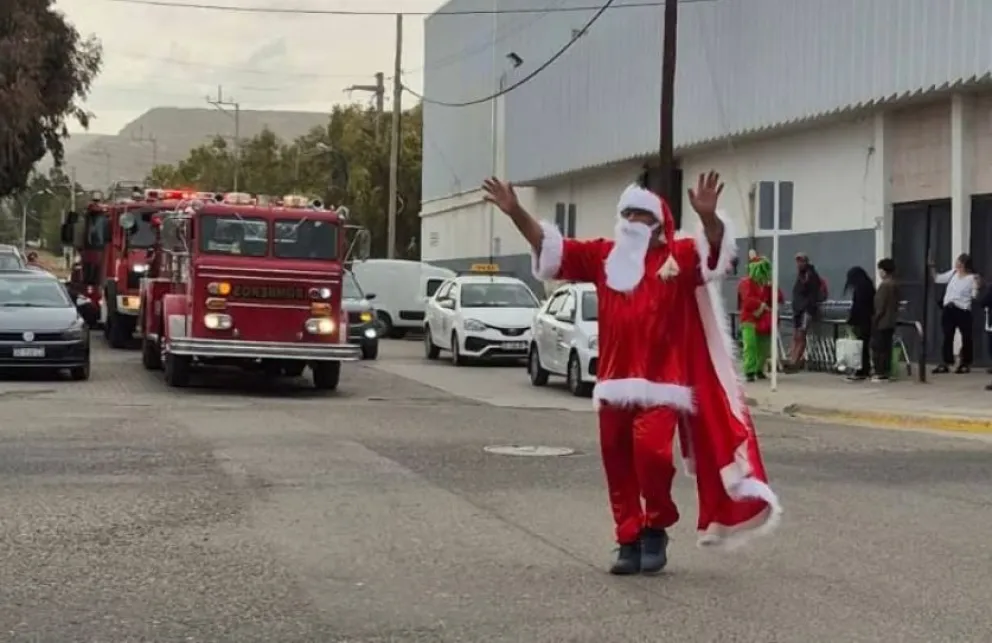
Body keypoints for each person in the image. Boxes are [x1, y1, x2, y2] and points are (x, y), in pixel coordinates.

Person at [482, 172, 781, 575]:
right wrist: (517, 211)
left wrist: (709, 218)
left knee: (653, 455)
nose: (633, 221)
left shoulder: (678, 256)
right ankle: (627, 538)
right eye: (627, 214)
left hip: (662, 385)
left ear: (658, 223)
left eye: (642, 215)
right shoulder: (602, 256)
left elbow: (713, 253)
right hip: (612, 382)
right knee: (616, 460)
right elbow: (549, 247)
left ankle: (656, 525)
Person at [738, 252, 784, 382]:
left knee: (763, 346)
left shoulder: (765, 285)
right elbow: (747, 300)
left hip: (763, 319)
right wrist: (762, 305)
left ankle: (758, 369)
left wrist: (771, 289)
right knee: (751, 345)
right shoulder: (746, 283)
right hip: (749, 319)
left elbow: (778, 297)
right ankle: (749, 370)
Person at [930, 253, 979, 374]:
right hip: (949, 308)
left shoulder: (971, 278)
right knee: (947, 336)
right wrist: (932, 267)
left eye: (959, 263)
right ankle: (946, 361)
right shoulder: (953, 273)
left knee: (966, 337)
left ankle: (965, 362)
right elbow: (937, 278)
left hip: (962, 309)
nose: (957, 265)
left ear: (965, 265)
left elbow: (975, 295)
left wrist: (977, 286)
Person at [789, 252, 824, 370]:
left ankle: (795, 360)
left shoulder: (810, 275)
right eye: (797, 261)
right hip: (798, 309)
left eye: (801, 261)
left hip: (805, 309)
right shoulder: (801, 275)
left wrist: (808, 307)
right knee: (796, 335)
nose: (798, 264)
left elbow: (812, 294)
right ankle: (792, 359)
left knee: (800, 335)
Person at [842, 266, 875, 381]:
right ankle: (865, 369)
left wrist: (851, 319)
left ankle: (862, 370)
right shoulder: (868, 285)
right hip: (868, 319)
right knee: (864, 346)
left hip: (862, 320)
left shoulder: (860, 288)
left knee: (861, 347)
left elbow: (858, 306)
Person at [872, 258, 900, 382]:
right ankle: (886, 371)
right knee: (887, 347)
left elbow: (880, 306)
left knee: (879, 348)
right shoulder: (895, 284)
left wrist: (874, 320)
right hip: (891, 321)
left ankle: (880, 372)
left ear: (883, 271)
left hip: (882, 321)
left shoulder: (884, 286)